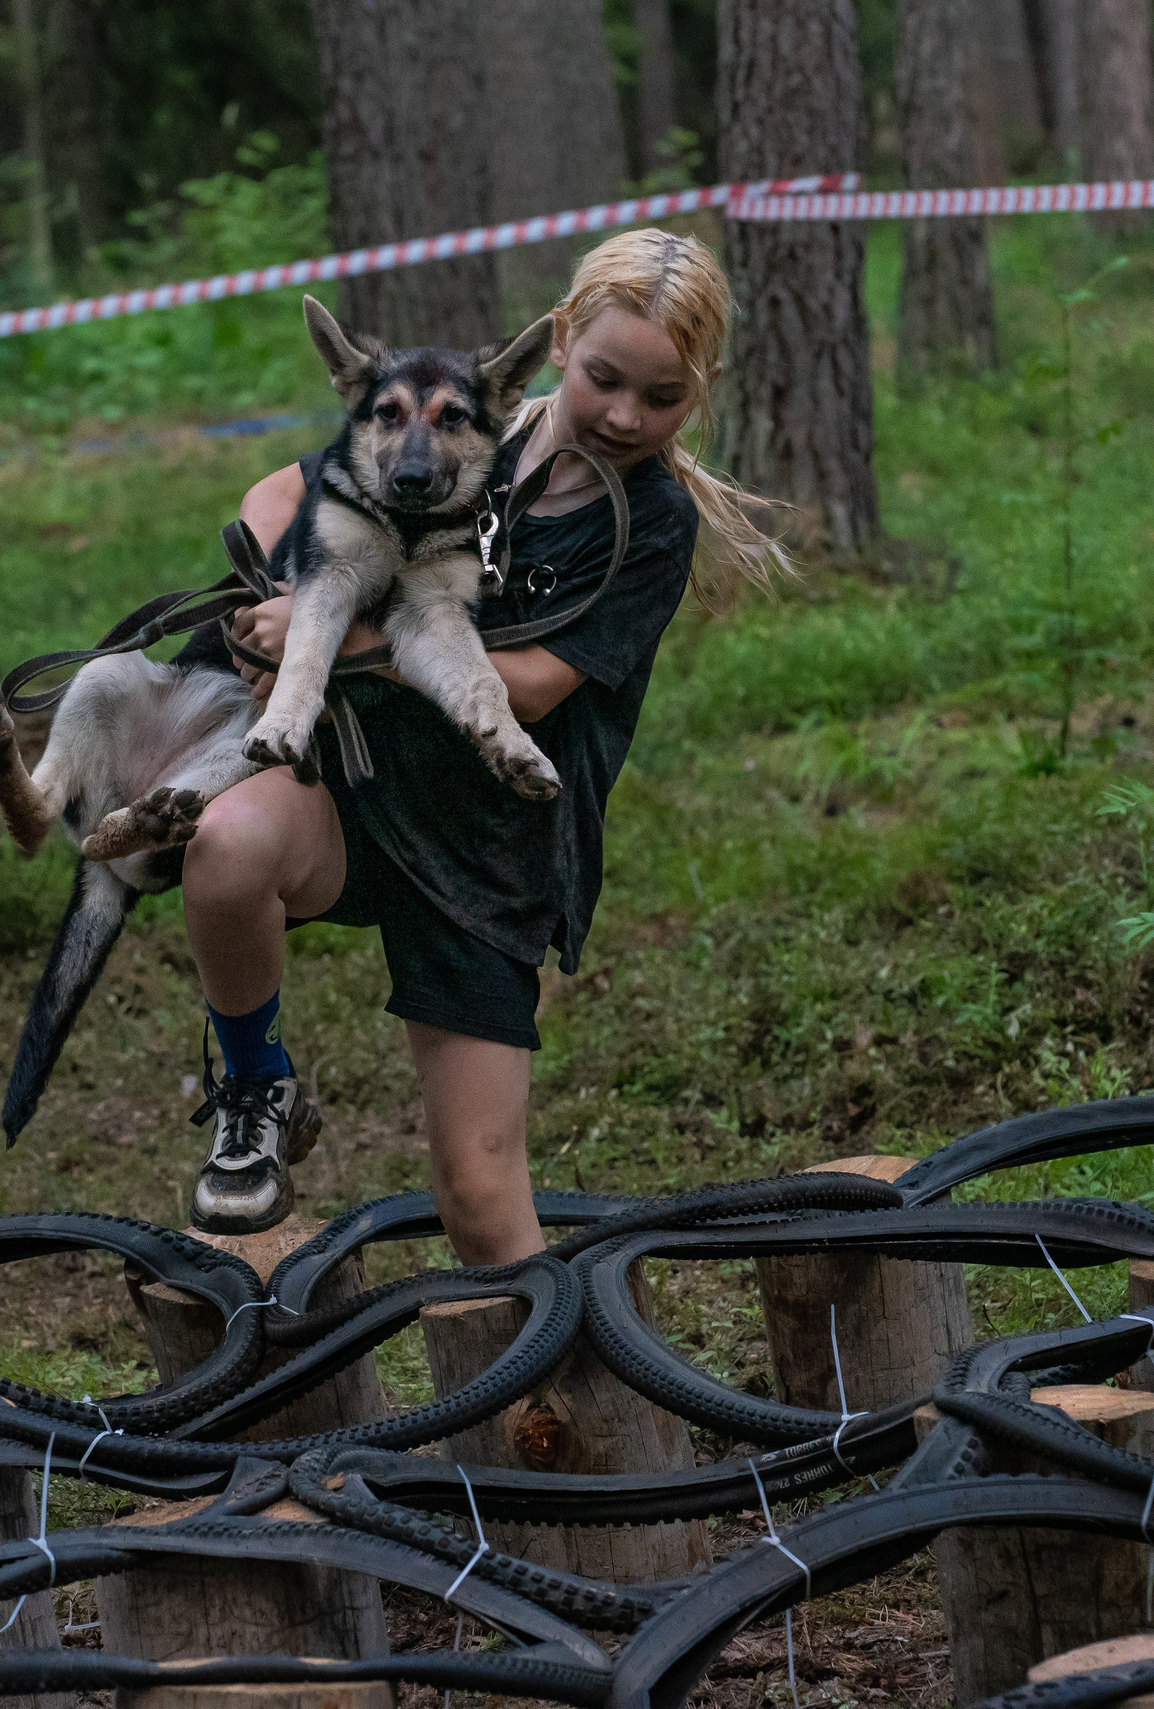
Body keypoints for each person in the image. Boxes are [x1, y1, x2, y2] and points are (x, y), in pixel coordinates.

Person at [178, 228, 788, 1261]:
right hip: (357, 791)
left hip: (487, 850)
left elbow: (540, 688)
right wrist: (291, 606)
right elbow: (277, 496)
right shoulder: (461, 417)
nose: (626, 415)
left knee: (475, 1188)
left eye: (663, 396)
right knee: (226, 846)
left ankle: (556, 1400)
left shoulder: (649, 522)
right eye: (603, 378)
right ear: (557, 342)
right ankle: (256, 1084)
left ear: (704, 389)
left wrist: (351, 643)